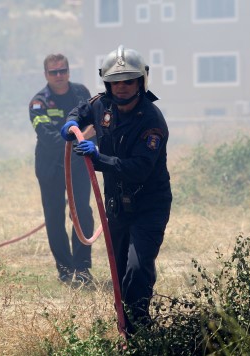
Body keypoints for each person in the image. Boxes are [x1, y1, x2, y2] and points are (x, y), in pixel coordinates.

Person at [60, 45, 172, 336]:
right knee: (121, 273)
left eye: (129, 81)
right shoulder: (102, 105)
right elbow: (84, 109)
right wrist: (72, 121)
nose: (121, 88)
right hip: (116, 206)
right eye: (116, 82)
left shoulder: (151, 120)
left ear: (141, 82)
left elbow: (139, 169)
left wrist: (99, 158)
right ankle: (126, 329)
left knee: (137, 268)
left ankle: (140, 331)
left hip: (148, 206)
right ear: (107, 83)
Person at [28, 53, 95, 285]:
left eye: (63, 71)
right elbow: (47, 137)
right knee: (55, 217)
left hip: (78, 163)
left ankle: (83, 269)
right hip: (50, 166)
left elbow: (94, 122)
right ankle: (66, 271)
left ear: (69, 71)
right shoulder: (39, 102)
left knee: (82, 213)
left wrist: (85, 137)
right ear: (46, 75)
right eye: (54, 72)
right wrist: (81, 137)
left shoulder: (81, 93)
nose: (59, 76)